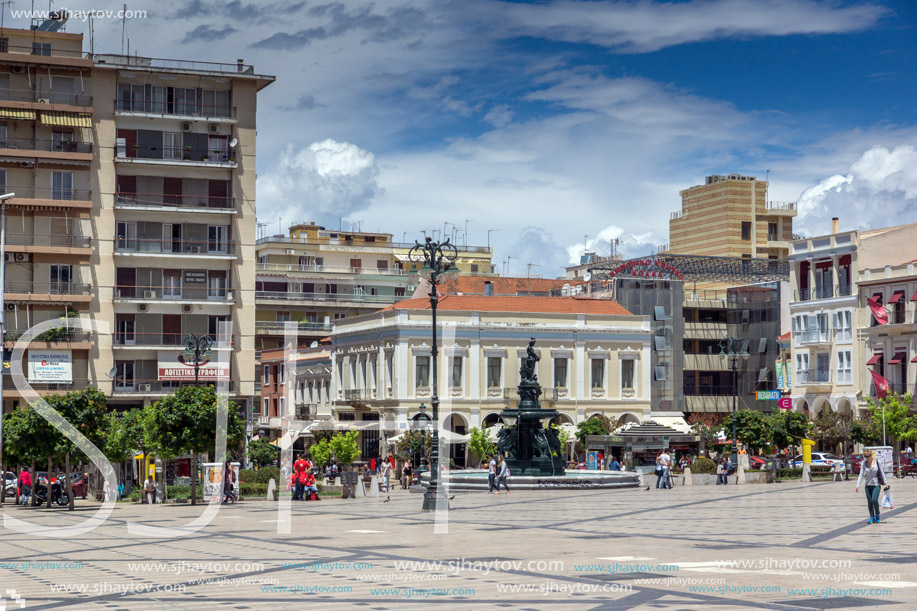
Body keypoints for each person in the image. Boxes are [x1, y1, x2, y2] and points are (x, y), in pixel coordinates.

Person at [856, 449, 889, 524]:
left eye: (868, 456)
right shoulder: (864, 464)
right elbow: (861, 474)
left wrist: (885, 482)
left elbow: (882, 473)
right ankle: (871, 517)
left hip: (876, 484)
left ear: (871, 455)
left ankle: (877, 514)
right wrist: (858, 485)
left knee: (874, 500)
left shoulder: (877, 462)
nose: (867, 458)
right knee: (869, 502)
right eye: (865, 456)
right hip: (868, 485)